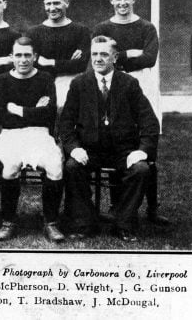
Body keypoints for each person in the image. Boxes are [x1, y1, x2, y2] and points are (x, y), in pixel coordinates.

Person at [60, 36, 159, 242]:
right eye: (95, 54)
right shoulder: (79, 84)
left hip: (122, 150)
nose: (98, 59)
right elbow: (66, 124)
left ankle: (123, 223)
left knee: (141, 169)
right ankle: (85, 223)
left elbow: (149, 122)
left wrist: (141, 151)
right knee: (72, 167)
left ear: (115, 57)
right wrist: (74, 148)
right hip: (89, 149)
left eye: (104, 54)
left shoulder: (129, 84)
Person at [93, 0, 168, 225]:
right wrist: (130, 54)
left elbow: (150, 57)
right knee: (119, 139)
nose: (123, 2)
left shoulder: (146, 27)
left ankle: (152, 209)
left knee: (146, 147)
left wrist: (120, 56)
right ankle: (118, 205)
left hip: (142, 85)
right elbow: (101, 58)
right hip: (114, 85)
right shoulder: (103, 27)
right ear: (110, 0)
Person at [0, 37, 65, 242]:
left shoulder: (45, 79)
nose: (23, 60)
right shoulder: (4, 79)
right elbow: (0, 115)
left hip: (40, 133)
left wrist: (17, 109)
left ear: (35, 56)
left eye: (27, 55)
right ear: (11, 57)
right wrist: (34, 109)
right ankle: (8, 221)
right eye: (18, 55)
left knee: (55, 166)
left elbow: (49, 114)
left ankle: (50, 222)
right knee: (10, 165)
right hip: (10, 135)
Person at [26, 0, 91, 109]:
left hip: (69, 82)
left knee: (65, 106)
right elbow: (32, 65)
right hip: (40, 83)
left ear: (67, 3)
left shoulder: (81, 31)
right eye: (48, 4)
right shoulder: (33, 33)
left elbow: (81, 65)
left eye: (56, 3)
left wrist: (49, 62)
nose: (52, 8)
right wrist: (67, 64)